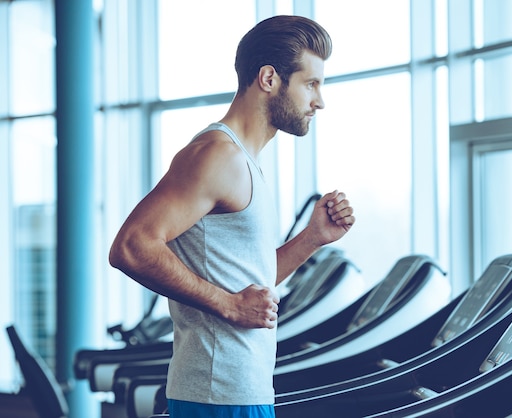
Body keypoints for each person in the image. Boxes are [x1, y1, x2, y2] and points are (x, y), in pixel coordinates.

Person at [109, 14, 355, 418]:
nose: (320, 101)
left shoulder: (246, 162)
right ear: (269, 78)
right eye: (311, 84)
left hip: (242, 392)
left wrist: (313, 236)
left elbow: (250, 279)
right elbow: (131, 247)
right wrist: (227, 305)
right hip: (217, 395)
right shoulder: (218, 155)